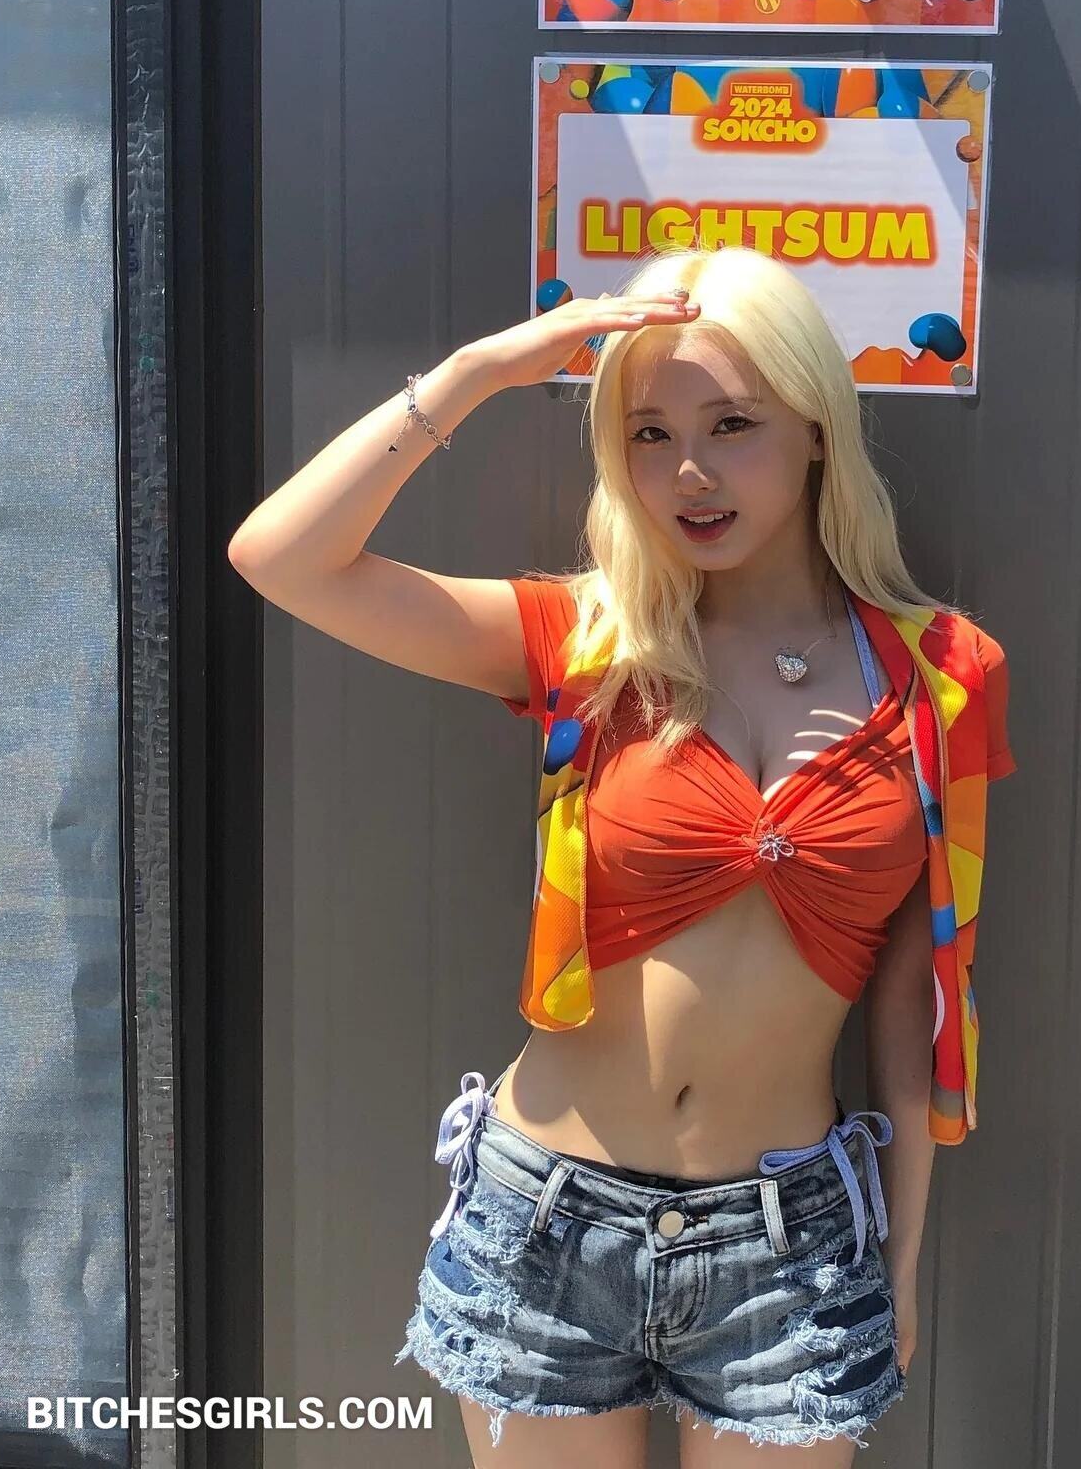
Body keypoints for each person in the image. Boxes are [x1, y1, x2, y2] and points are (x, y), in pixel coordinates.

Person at [227, 245, 1016, 1464]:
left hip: (790, 1244)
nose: (690, 470)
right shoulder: (589, 643)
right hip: (546, 1218)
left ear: (816, 428)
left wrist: (900, 1258)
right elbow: (282, 557)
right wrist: (480, 372)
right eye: (650, 434)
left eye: (732, 424)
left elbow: (915, 998)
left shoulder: (944, 676)